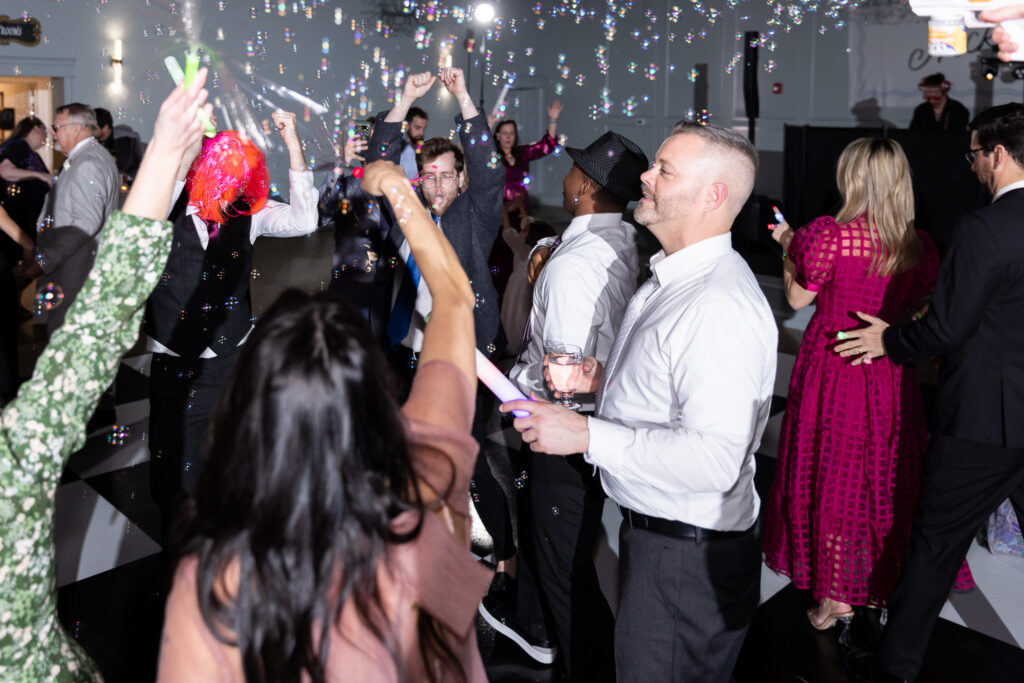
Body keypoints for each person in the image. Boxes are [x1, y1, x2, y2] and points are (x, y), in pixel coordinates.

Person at [155, 159, 492, 682]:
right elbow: (453, 298)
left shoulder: (220, 577)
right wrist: (397, 189)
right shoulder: (430, 478)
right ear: (375, 392)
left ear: (252, 408)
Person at [501, 122, 776, 682]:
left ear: (713, 196)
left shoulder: (717, 304)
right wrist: (598, 377)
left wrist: (585, 435)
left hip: (686, 558)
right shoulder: (668, 278)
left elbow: (714, 460)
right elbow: (664, 385)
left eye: (664, 170)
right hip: (657, 538)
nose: (644, 177)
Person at [0, 67, 213, 680]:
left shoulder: (85, 165)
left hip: (73, 277)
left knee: (75, 357)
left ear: (74, 128)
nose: (56, 137)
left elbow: (83, 235)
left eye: (60, 129)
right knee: (76, 362)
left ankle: (94, 427)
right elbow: (99, 325)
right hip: (87, 285)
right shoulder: (17, 460)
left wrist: (35, 259)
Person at [836, 102, 1024, 682]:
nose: (971, 167)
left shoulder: (984, 227)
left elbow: (947, 327)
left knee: (934, 547)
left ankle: (895, 668)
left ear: (997, 153)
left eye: (974, 154)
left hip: (983, 425)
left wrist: (889, 341)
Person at [761, 138, 964, 638]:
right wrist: (890, 331)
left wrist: (789, 246)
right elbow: (927, 309)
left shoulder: (826, 235)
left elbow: (795, 298)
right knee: (882, 474)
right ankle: (881, 584)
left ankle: (836, 600)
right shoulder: (917, 244)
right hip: (888, 370)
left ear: (850, 178)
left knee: (830, 473)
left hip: (832, 367)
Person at [491, 131, 648, 677]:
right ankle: (539, 632)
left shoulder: (573, 264)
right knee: (560, 552)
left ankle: (586, 665)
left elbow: (563, 377)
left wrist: (516, 377)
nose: (567, 174)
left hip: (563, 429)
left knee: (566, 572)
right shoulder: (622, 240)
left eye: (575, 169)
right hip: (594, 423)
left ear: (583, 187)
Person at [144, 111, 318, 541]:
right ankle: (176, 565)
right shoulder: (171, 204)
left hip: (228, 363)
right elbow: (147, 211)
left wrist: (293, 140)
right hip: (174, 366)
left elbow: (304, 220)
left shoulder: (249, 214)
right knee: (171, 476)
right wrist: (184, 142)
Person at [366, 68, 504, 378]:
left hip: (463, 351)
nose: (438, 185)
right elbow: (378, 161)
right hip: (405, 347)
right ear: (419, 179)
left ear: (461, 178)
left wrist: (462, 97)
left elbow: (490, 173)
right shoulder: (407, 212)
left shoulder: (475, 217)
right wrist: (406, 99)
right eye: (429, 176)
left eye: (446, 176)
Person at [15, 104, 119, 336]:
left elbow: (84, 224)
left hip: (74, 272)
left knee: (66, 341)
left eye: (57, 127)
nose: (53, 133)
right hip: (73, 267)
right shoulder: (88, 156)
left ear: (79, 129)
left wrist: (41, 264)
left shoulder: (88, 163)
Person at [317, 125, 398, 347]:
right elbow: (321, 215)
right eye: (366, 141)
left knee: (380, 350)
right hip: (348, 285)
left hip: (384, 285)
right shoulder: (348, 185)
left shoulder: (396, 187)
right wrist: (339, 163)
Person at [486, 101, 562, 299]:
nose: (508, 136)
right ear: (497, 136)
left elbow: (546, 146)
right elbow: (478, 149)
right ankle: (499, 290)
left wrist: (553, 118)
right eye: (504, 133)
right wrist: (488, 124)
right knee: (501, 252)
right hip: (500, 211)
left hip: (521, 210)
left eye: (511, 133)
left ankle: (518, 287)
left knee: (521, 250)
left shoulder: (522, 153)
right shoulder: (492, 154)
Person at [499, 200, 554, 348]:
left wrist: (504, 213)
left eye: (524, 231)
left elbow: (508, 233)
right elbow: (528, 224)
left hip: (519, 290)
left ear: (531, 235)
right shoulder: (535, 250)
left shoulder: (524, 249)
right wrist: (522, 208)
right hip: (523, 288)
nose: (520, 232)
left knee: (516, 318)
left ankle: (515, 346)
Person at [0, 115, 52, 240]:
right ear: (36, 128)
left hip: (22, 220)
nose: (46, 136)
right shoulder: (19, 145)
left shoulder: (26, 150)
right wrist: (41, 176)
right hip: (15, 221)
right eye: (45, 130)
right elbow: (5, 171)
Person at [94, 106, 144, 180]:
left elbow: (140, 163)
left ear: (105, 127)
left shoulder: (129, 138)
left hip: (126, 185)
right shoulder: (91, 142)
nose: (90, 130)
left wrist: (128, 177)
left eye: (94, 128)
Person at [397, 105, 428, 180]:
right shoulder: (396, 145)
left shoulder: (426, 147)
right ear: (407, 125)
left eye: (424, 129)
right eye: (417, 128)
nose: (421, 133)